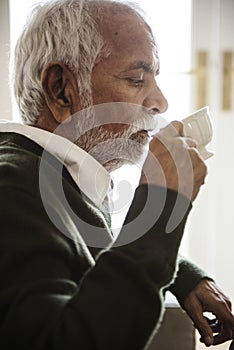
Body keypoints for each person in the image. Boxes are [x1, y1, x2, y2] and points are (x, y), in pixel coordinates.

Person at [0, 0, 233, 348]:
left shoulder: (55, 180)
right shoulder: (12, 189)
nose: (161, 102)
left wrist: (180, 273)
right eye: (136, 79)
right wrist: (161, 206)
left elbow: (83, 247)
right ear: (62, 90)